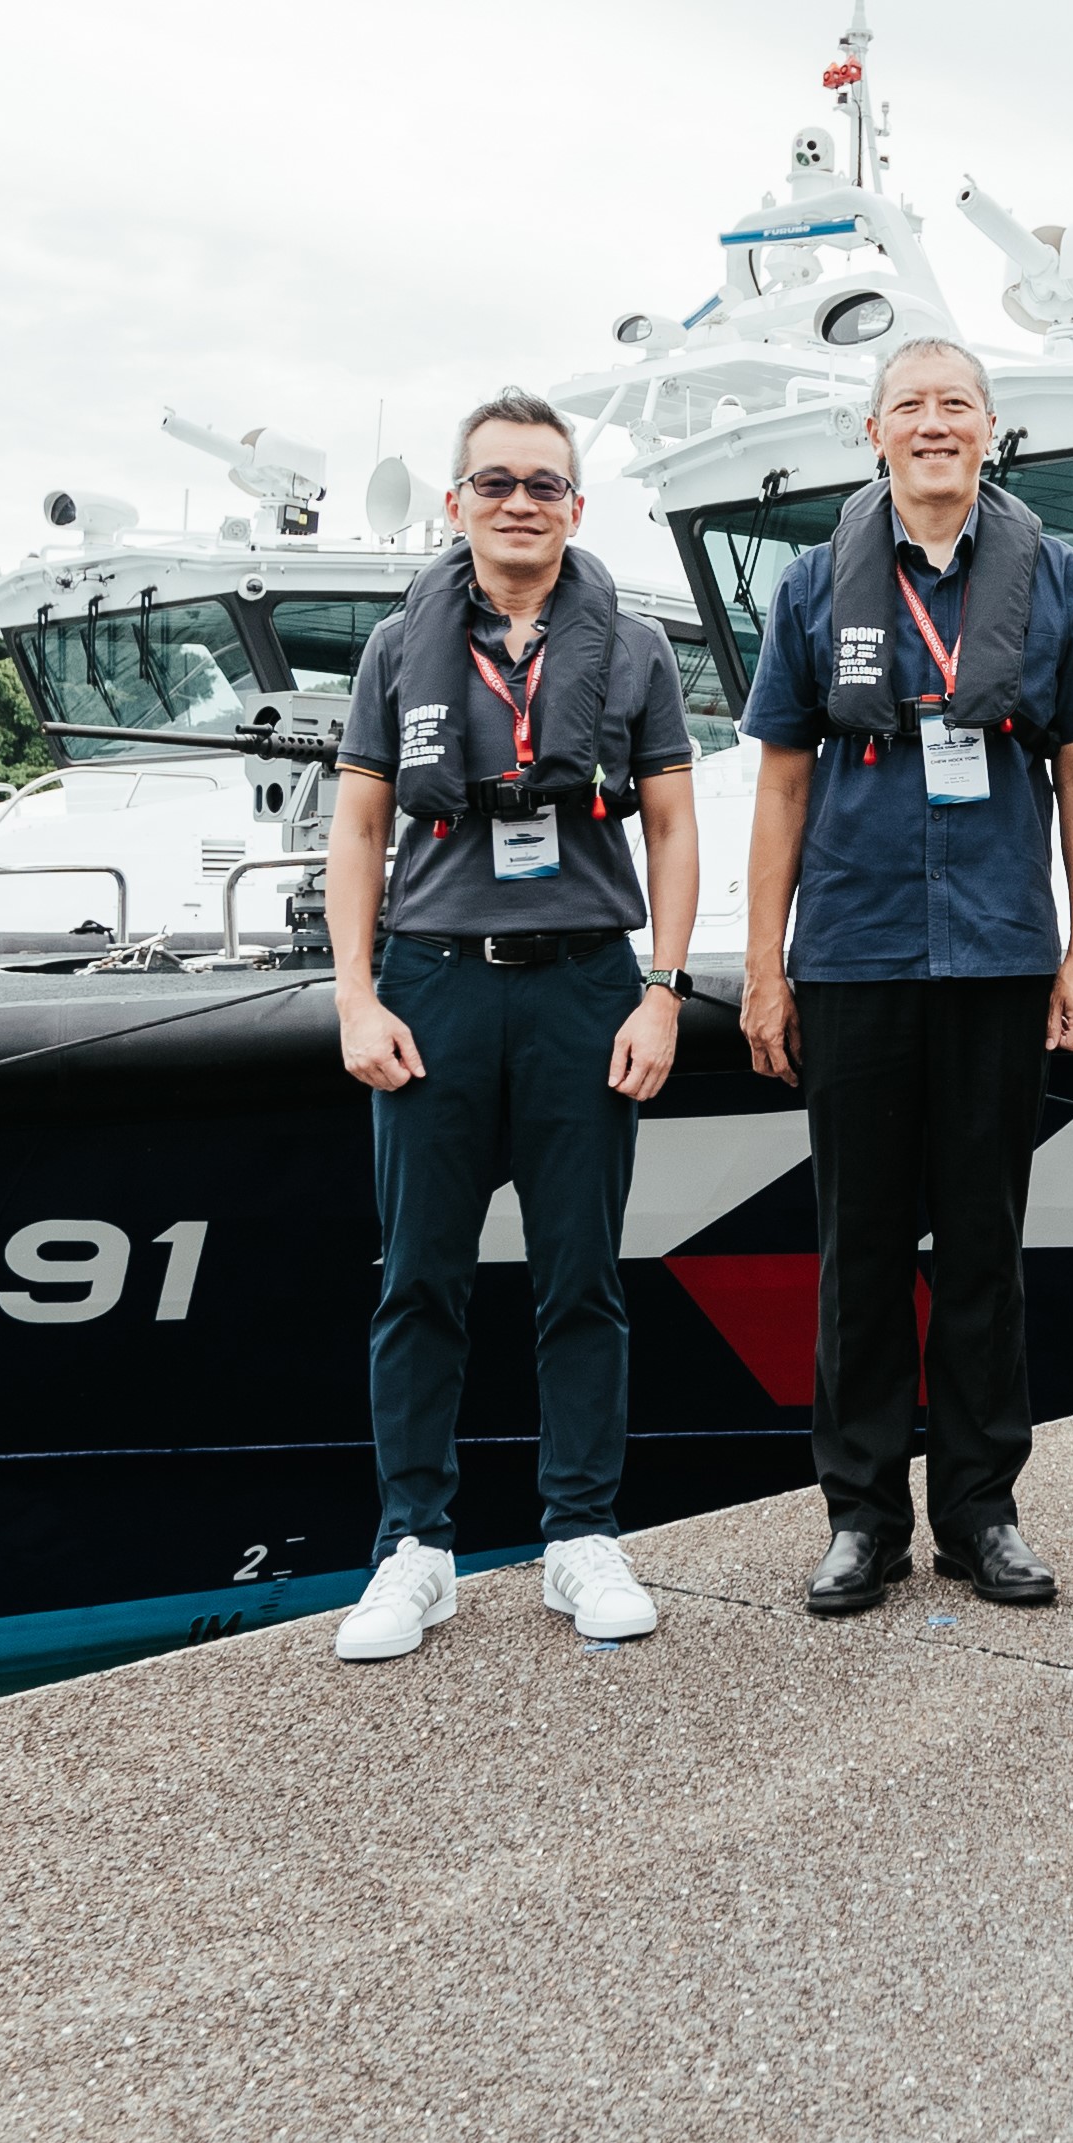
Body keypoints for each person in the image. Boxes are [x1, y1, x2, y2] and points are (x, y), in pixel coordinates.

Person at [739, 334, 1073, 1617]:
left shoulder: (1056, 579)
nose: (933, 424)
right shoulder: (809, 589)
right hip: (852, 954)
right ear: (875, 434)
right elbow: (781, 782)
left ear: (989, 427)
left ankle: (979, 1509)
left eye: (955, 404)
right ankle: (861, 1517)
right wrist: (762, 970)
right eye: (909, 406)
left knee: (982, 1244)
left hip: (1002, 953)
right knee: (854, 1247)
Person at [323, 388, 705, 1663]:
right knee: (417, 1279)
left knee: (580, 1279)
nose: (520, 503)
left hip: (583, 986)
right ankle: (412, 1548)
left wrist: (662, 988)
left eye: (543, 484)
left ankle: (581, 1535)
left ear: (577, 507)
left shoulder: (635, 650)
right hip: (431, 984)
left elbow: (671, 823)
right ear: (456, 502)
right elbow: (361, 828)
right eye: (495, 482)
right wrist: (355, 991)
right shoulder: (396, 648)